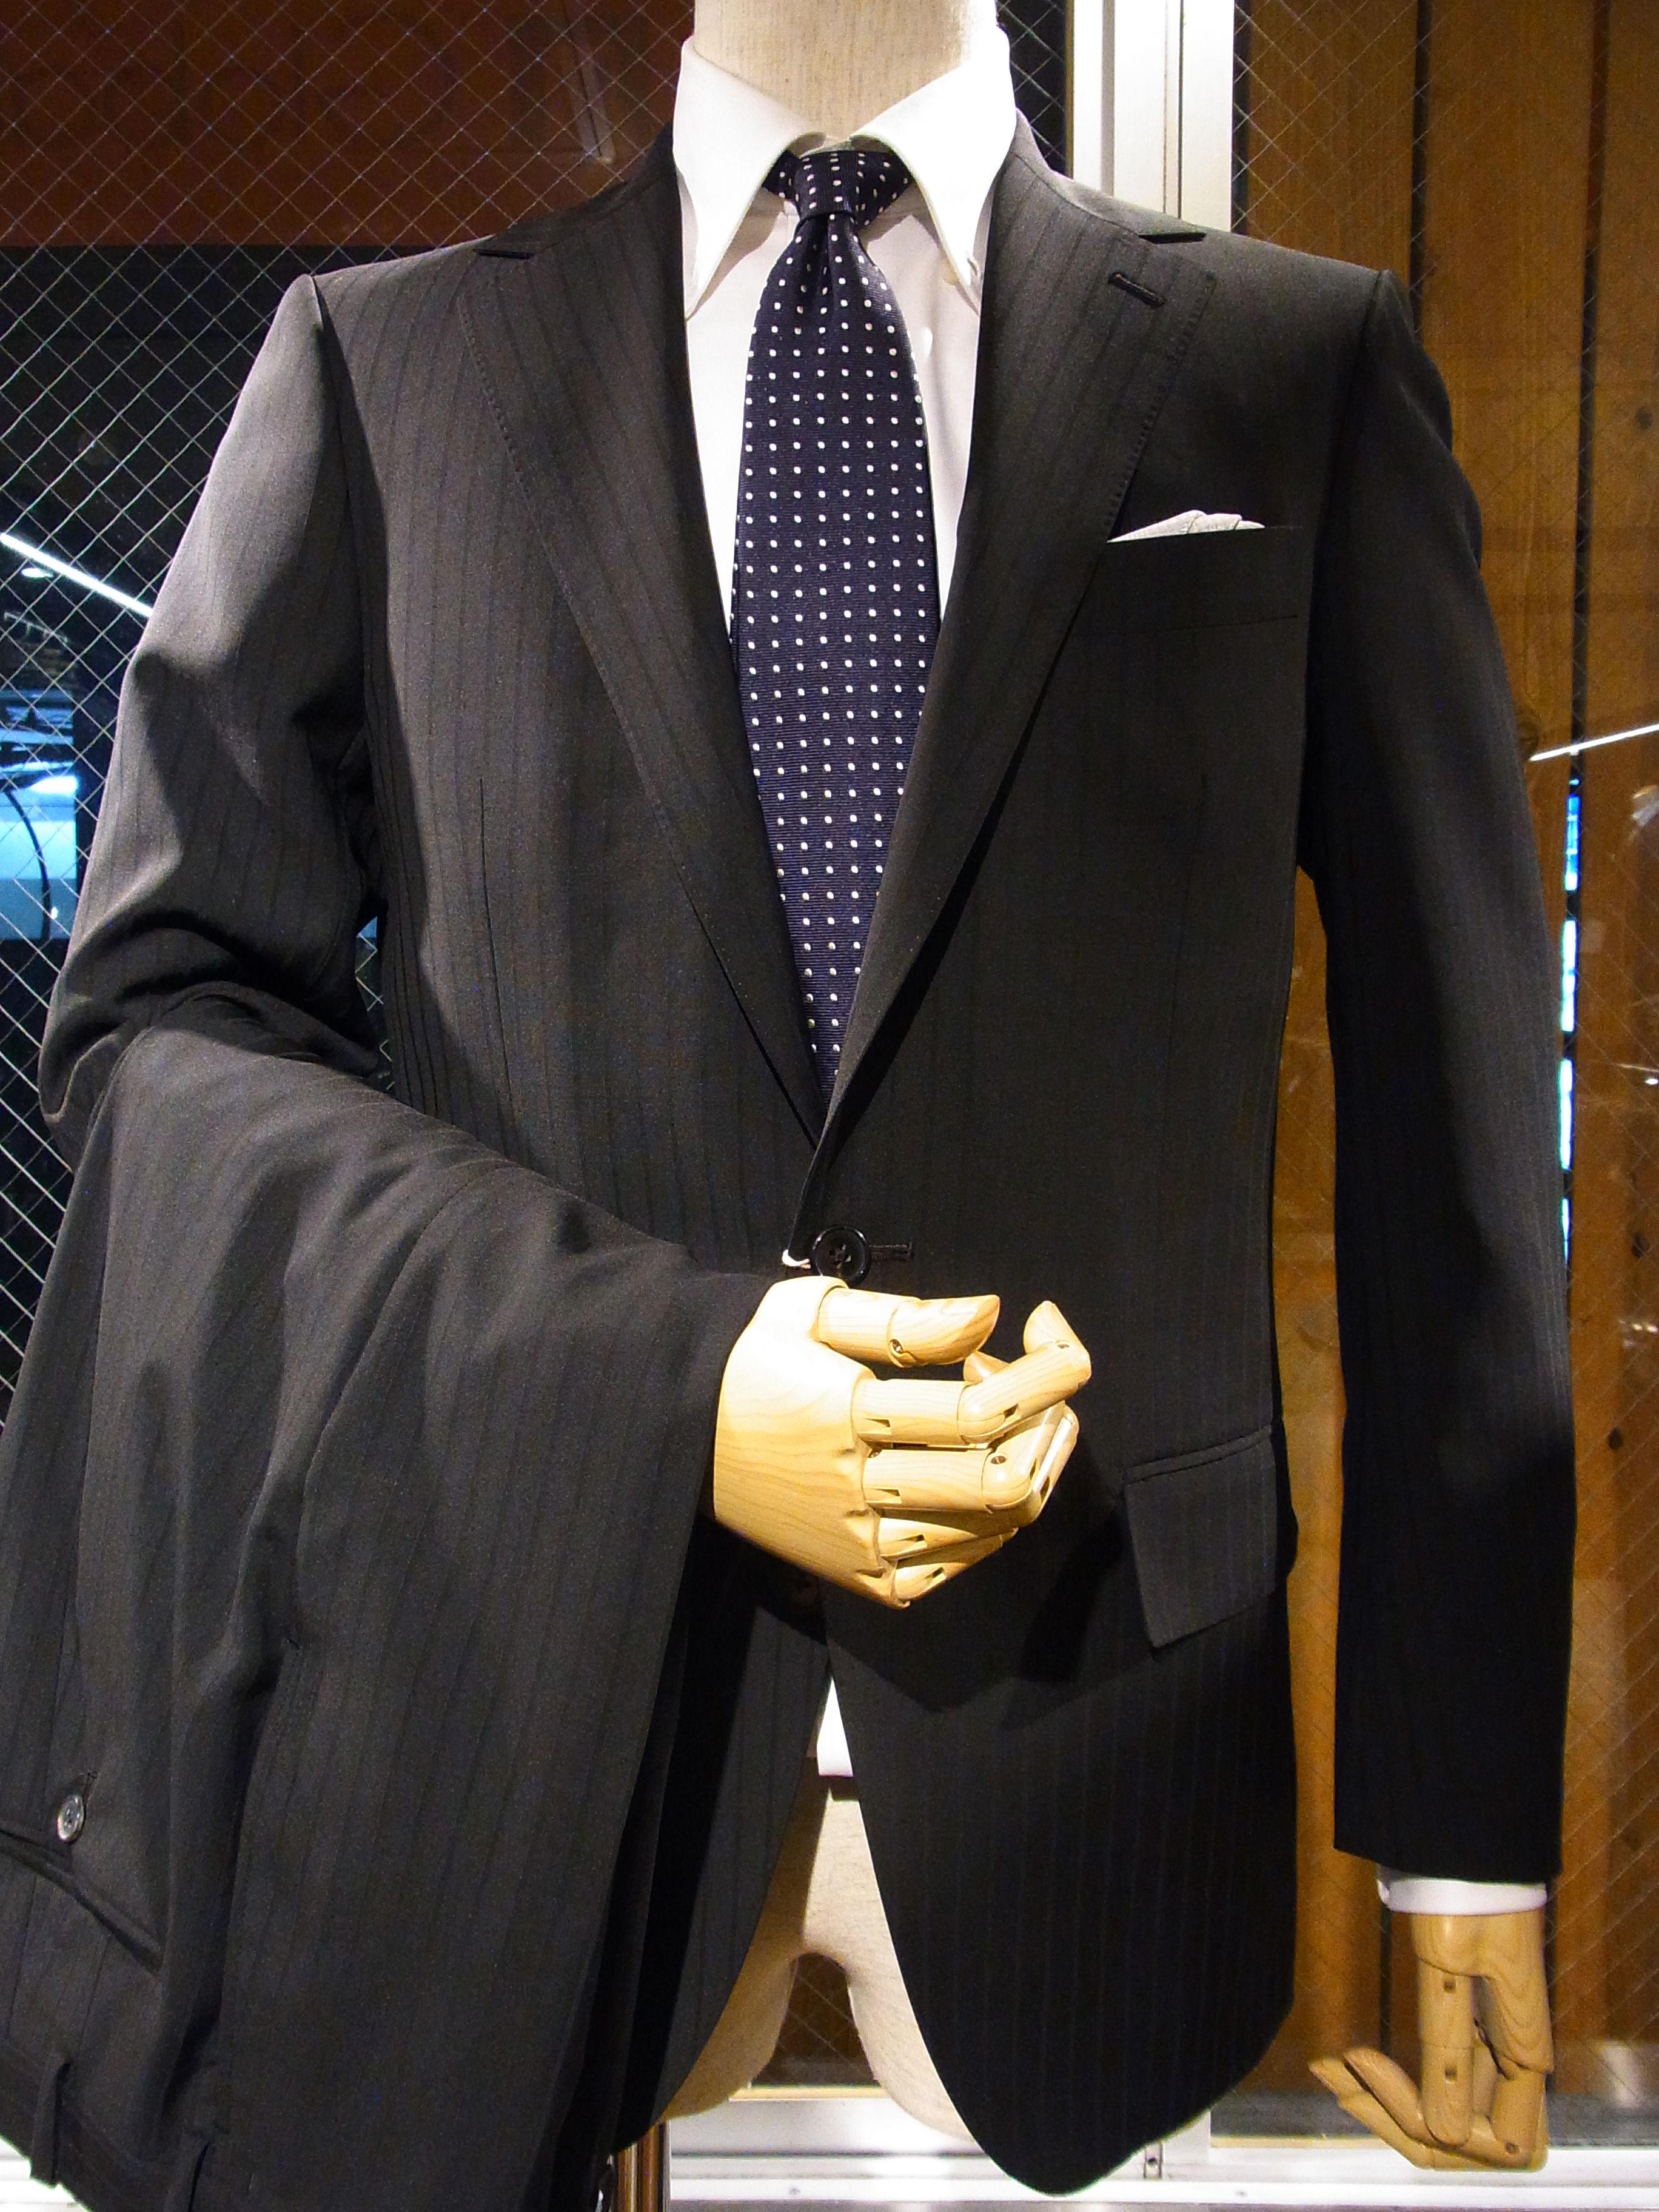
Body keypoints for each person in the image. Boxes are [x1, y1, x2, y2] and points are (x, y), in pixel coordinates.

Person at [0, 2, 1574, 2206]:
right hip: (539, 1701)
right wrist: (665, 1378)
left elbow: (1453, 1130)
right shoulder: (388, 375)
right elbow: (158, 1022)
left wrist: (1464, 1833)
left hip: (1097, 1718)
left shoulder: (1286, 366)